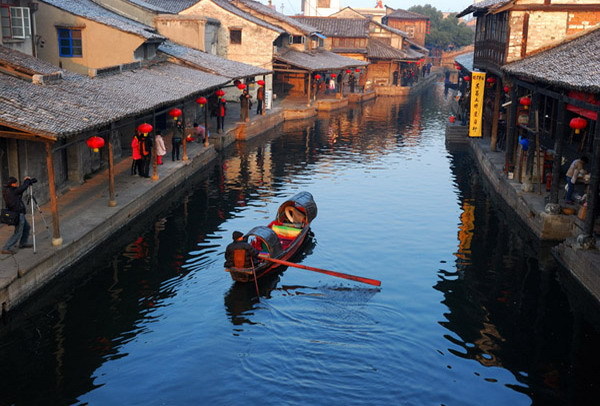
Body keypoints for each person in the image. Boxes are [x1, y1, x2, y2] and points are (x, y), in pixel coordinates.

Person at [2, 176, 34, 255]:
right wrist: (27, 180)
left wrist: (28, 181)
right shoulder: (12, 191)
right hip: (18, 214)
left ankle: (23, 243)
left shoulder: (8, 190)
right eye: (15, 183)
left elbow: (21, 188)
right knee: (18, 233)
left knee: (27, 227)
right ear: (12, 184)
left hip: (18, 213)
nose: (17, 184)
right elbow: (22, 188)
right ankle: (6, 248)